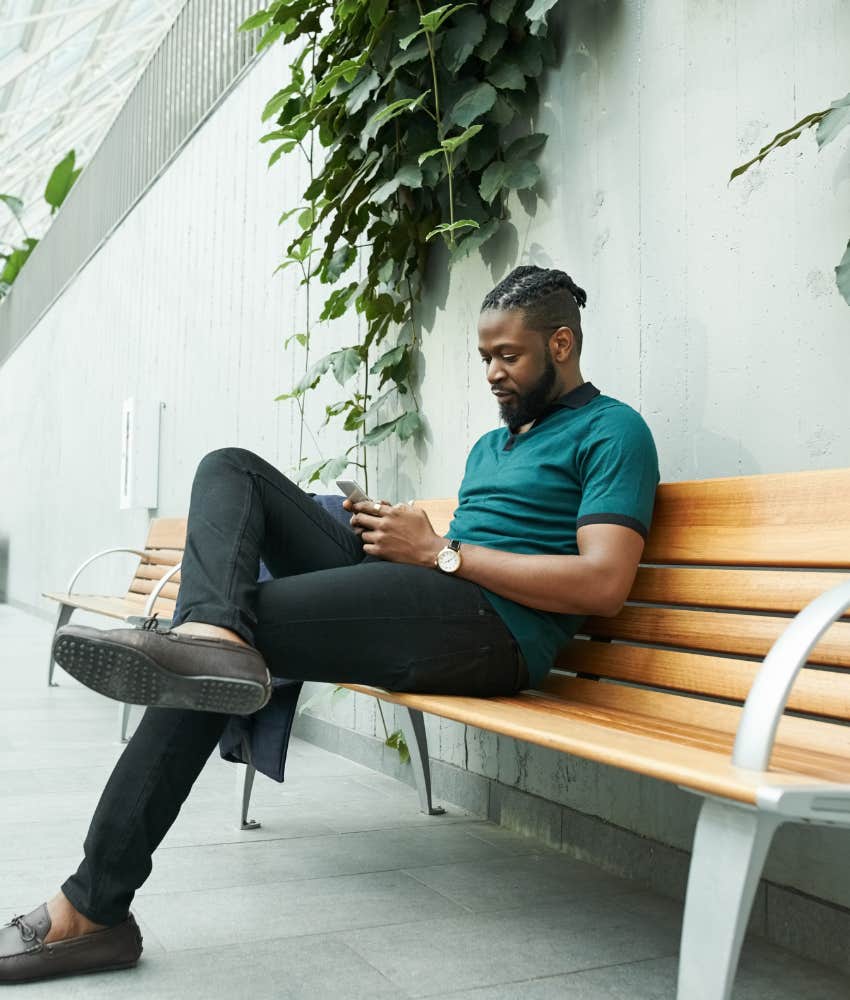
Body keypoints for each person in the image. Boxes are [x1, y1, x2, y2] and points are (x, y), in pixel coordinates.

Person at [0, 265, 659, 984]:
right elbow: (455, 553)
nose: (494, 373)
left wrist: (439, 551)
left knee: (210, 657)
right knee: (231, 469)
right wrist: (403, 535)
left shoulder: (613, 431)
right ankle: (208, 636)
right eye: (485, 358)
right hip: (438, 590)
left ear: (562, 343)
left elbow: (604, 583)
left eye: (509, 356)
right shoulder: (491, 448)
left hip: (496, 632)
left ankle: (93, 906)